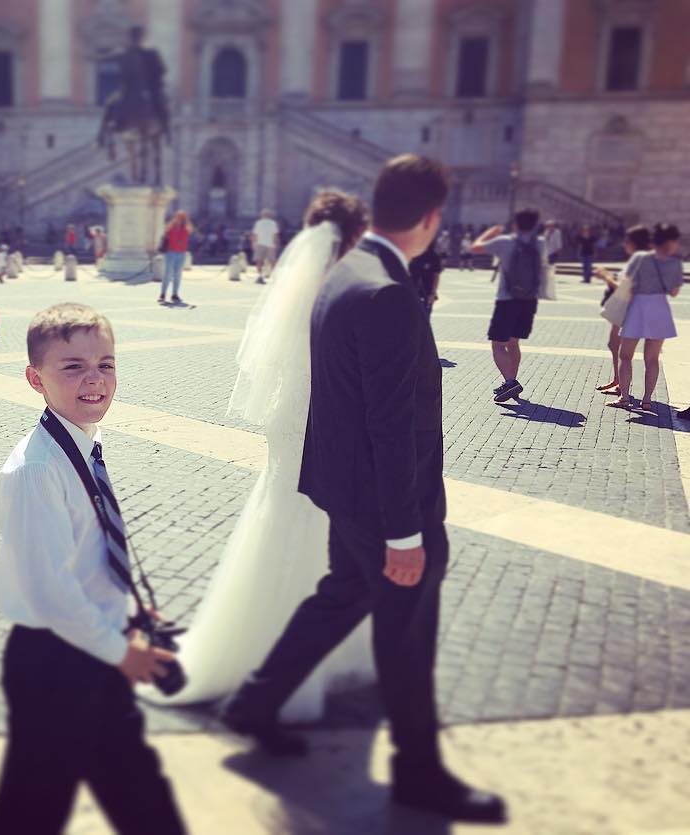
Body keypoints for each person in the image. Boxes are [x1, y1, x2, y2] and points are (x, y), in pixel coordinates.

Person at [220, 155, 506, 824]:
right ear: (432, 218)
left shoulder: (346, 271)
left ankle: (255, 701)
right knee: (407, 635)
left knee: (344, 592)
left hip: (343, 488)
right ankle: (419, 774)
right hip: (385, 504)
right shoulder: (387, 292)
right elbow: (390, 423)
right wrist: (405, 533)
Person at [142, 191, 374, 721]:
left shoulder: (300, 284)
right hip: (322, 422)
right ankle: (292, 664)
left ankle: (264, 646)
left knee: (285, 522)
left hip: (290, 415)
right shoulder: (342, 287)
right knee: (315, 531)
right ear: (352, 235)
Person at [0, 303, 186, 835]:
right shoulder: (36, 470)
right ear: (35, 378)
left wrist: (129, 608)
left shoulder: (78, 443)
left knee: (135, 790)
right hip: (57, 662)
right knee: (35, 809)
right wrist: (125, 654)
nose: (94, 379)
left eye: (106, 363)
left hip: (93, 644)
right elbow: (50, 593)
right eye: (72, 366)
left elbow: (89, 545)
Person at [471, 208, 548, 403]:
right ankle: (509, 383)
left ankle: (511, 381)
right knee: (514, 343)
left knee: (497, 344)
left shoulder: (505, 242)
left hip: (507, 299)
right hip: (529, 300)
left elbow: (475, 247)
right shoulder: (540, 243)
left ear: (515, 224)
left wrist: (492, 232)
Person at [608, 223, 682, 412]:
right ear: (671, 242)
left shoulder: (639, 258)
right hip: (659, 309)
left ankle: (624, 398)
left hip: (638, 307)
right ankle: (647, 400)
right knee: (652, 359)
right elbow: (673, 292)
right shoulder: (674, 263)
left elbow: (627, 285)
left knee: (625, 356)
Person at [594, 225, 651, 393]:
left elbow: (626, 288)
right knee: (613, 344)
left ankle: (621, 386)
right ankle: (618, 381)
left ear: (634, 242)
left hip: (629, 308)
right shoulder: (641, 259)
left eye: (627, 241)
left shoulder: (639, 260)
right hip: (625, 308)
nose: (625, 244)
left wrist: (606, 277)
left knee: (621, 350)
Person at [159, 210, 192, 304]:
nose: (180, 219)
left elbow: (190, 230)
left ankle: (175, 294)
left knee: (178, 274)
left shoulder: (186, 227)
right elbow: (166, 230)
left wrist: (186, 220)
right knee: (167, 273)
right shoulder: (171, 227)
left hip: (181, 253)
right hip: (170, 252)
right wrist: (174, 221)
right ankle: (163, 293)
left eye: (182, 217)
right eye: (178, 217)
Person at [410, 240, 443, 316]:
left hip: (427, 293)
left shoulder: (434, 257)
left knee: (425, 318)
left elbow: (436, 276)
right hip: (412, 292)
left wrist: (433, 293)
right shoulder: (413, 255)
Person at [251, 209, 280, 283]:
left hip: (260, 243)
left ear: (262, 215)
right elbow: (275, 235)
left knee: (259, 261)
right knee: (272, 261)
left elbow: (255, 234)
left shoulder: (258, 223)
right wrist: (275, 244)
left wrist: (253, 243)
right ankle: (275, 276)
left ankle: (260, 276)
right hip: (270, 244)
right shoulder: (273, 223)